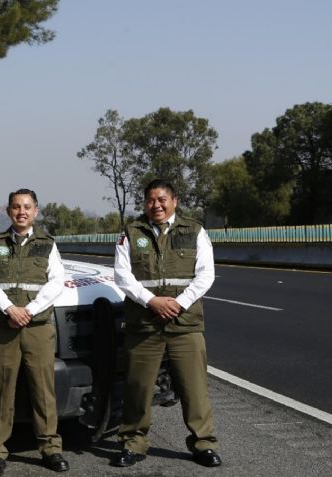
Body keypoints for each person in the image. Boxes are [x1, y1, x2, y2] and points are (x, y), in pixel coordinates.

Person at [110, 179, 221, 468]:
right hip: (144, 324)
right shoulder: (131, 233)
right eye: (150, 200)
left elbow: (206, 274)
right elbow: (123, 276)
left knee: (194, 387)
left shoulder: (194, 231)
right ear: (144, 203)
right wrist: (151, 301)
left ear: (175, 201)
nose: (156, 205)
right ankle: (133, 443)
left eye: (162, 200)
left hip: (185, 324)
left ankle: (203, 443)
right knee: (138, 388)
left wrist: (179, 303)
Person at [0, 189, 70, 477]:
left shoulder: (47, 244)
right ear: (8, 211)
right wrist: (10, 309)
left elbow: (57, 282)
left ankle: (51, 449)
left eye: (27, 207)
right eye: (16, 207)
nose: (22, 212)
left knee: (43, 390)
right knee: (2, 390)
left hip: (37, 328)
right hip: (5, 328)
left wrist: (29, 310)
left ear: (36, 211)